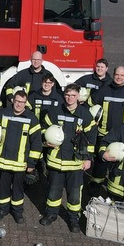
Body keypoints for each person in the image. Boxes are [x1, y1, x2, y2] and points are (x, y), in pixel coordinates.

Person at [40, 84, 97, 232]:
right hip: (56, 161)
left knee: (74, 194)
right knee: (53, 191)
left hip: (75, 163)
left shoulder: (85, 115)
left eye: (73, 95)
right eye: (67, 94)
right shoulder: (55, 111)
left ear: (78, 96)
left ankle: (73, 219)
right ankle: (51, 214)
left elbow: (91, 138)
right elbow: (43, 128)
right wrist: (45, 140)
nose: (69, 98)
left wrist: (88, 158)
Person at [0, 90, 43, 224]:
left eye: (22, 102)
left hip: (20, 164)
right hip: (2, 161)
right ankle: (2, 210)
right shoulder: (3, 113)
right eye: (17, 101)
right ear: (12, 101)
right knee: (2, 188)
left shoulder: (31, 118)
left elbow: (37, 143)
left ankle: (17, 212)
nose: (19, 105)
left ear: (26, 103)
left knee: (18, 190)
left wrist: (32, 164)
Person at [87, 66, 124, 187]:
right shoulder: (103, 91)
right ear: (113, 75)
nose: (119, 77)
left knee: (121, 164)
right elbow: (89, 106)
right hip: (104, 135)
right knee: (100, 164)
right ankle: (95, 188)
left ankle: (115, 190)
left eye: (122, 75)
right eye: (117, 74)